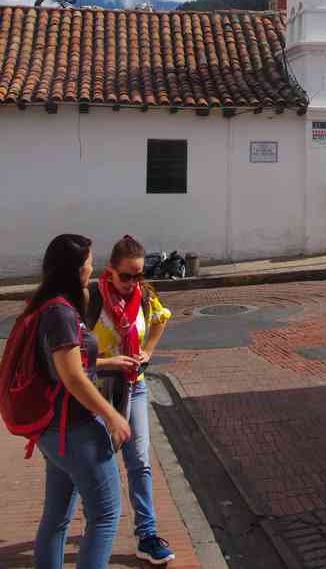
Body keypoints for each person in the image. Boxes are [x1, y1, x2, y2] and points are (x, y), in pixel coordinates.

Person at [29, 233, 131, 569]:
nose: (92, 267)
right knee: (105, 515)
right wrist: (112, 416)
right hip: (74, 429)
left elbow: (65, 365)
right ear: (75, 268)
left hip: (53, 430)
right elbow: (72, 377)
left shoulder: (49, 305)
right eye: (88, 261)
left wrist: (106, 363)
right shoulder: (61, 313)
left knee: (56, 517)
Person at [87, 235, 175, 565]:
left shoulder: (144, 295)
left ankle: (147, 534)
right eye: (126, 276)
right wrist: (109, 363)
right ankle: (98, 522)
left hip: (134, 386)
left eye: (139, 275)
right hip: (97, 391)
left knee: (139, 460)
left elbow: (161, 319)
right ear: (110, 271)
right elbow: (72, 358)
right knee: (98, 461)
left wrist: (148, 352)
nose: (132, 282)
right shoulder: (91, 299)